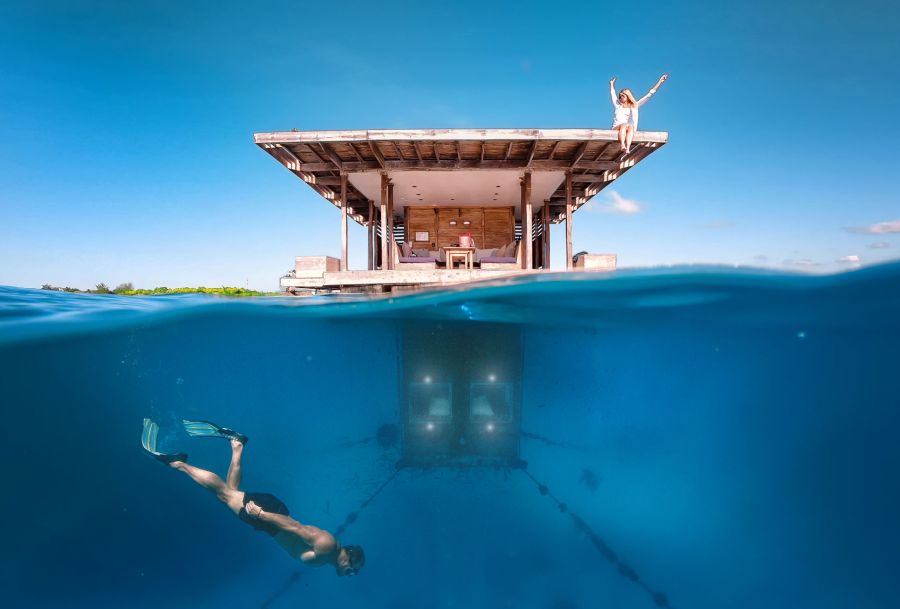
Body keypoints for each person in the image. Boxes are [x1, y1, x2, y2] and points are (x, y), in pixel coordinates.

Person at [141, 418, 365, 577]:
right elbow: (296, 528)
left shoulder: (328, 553)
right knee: (225, 494)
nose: (350, 574)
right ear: (349, 559)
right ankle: (178, 463)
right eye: (352, 571)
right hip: (271, 518)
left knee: (229, 493)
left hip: (271, 521)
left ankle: (237, 445)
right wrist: (262, 515)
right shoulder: (327, 547)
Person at [609, 73, 668, 154]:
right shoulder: (618, 105)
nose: (620, 98)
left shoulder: (633, 106)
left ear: (627, 96)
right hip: (616, 127)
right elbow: (613, 94)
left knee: (631, 127)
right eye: (620, 96)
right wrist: (611, 84)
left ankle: (627, 148)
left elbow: (649, 95)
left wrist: (660, 81)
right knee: (624, 125)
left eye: (623, 96)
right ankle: (622, 144)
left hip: (626, 127)